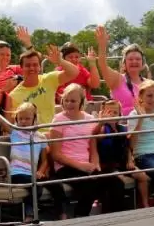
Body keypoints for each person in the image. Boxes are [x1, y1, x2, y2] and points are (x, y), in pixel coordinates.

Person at [49, 83, 127, 218]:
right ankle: (80, 218)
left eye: (73, 101)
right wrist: (81, 166)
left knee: (116, 183)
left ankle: (113, 218)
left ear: (81, 102)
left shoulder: (90, 119)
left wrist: (95, 164)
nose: (69, 104)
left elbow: (93, 147)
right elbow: (56, 154)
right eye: (66, 100)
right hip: (66, 166)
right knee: (91, 185)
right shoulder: (58, 120)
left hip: (86, 165)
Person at [8, 44, 79, 130]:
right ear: (21, 68)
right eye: (27, 65)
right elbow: (12, 124)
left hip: (53, 133)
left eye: (35, 65)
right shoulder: (14, 95)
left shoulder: (48, 79)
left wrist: (60, 61)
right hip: (32, 137)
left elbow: (74, 72)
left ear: (39, 67)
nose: (31, 68)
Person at [94, 98, 148, 207]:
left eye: (115, 112)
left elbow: (128, 145)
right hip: (107, 165)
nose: (113, 115)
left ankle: (144, 204)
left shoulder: (122, 128)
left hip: (121, 162)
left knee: (142, 176)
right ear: (103, 113)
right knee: (119, 180)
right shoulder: (103, 128)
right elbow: (96, 137)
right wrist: (101, 123)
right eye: (109, 112)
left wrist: (129, 160)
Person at [94, 25, 150, 116]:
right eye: (130, 59)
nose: (134, 61)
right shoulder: (117, 79)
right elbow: (102, 64)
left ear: (142, 63)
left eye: (138, 59)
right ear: (124, 63)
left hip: (144, 124)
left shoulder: (148, 83)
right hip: (123, 124)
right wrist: (102, 44)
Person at [8, 101, 51, 219]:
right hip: (16, 173)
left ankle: (59, 211)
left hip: (31, 173)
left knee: (43, 183)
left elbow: (45, 160)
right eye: (20, 118)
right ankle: (30, 214)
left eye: (27, 118)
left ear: (34, 118)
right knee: (35, 185)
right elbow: (0, 120)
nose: (23, 122)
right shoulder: (14, 132)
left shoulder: (40, 137)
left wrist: (41, 171)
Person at [0, 26, 33, 93]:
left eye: (8, 55)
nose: (5, 57)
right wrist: (6, 88)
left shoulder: (13, 69)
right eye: (2, 54)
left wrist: (28, 44)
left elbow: (33, 63)